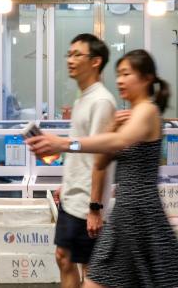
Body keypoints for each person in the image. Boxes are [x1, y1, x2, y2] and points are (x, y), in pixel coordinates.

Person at [28, 49, 178, 288]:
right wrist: (111, 126)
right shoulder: (128, 116)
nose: (119, 80)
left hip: (141, 215)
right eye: (118, 73)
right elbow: (101, 161)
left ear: (147, 78)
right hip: (126, 213)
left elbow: (119, 143)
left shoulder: (147, 111)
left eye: (126, 73)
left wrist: (63, 143)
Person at [53, 33, 116, 288]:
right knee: (64, 258)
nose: (70, 60)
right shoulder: (83, 97)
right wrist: (66, 184)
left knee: (91, 272)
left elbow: (99, 158)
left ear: (95, 61)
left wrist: (94, 208)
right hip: (73, 196)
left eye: (77, 54)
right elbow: (80, 149)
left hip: (87, 204)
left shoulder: (101, 101)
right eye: (69, 54)